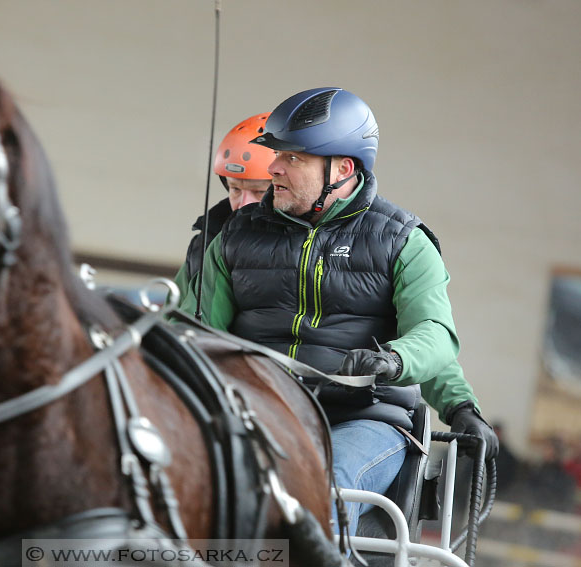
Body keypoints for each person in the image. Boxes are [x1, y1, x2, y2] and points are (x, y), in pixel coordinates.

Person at [179, 87, 499, 538]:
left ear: (342, 168)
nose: (272, 168)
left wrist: (410, 371)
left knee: (319, 491)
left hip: (365, 419)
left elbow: (434, 334)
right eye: (276, 155)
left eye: (292, 158)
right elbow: (196, 333)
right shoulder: (233, 238)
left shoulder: (403, 241)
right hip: (253, 409)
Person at [174, 113, 274, 305]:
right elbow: (174, 316)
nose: (243, 204)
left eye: (259, 192)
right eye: (235, 189)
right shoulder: (205, 243)